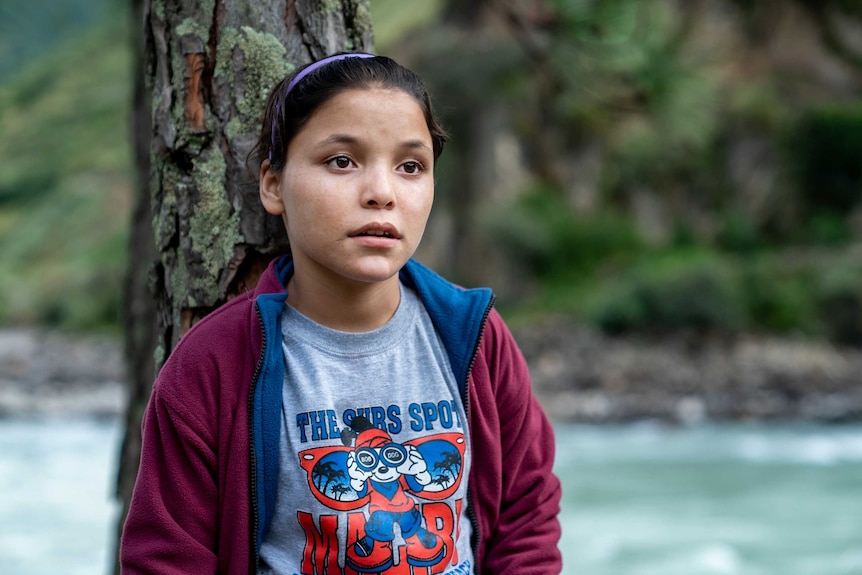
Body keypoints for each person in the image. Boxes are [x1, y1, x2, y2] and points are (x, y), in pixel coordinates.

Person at [120, 52, 562, 575]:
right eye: (342, 161)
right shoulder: (212, 365)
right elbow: (166, 560)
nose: (382, 193)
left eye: (410, 166)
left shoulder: (474, 337)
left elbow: (527, 518)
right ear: (273, 184)